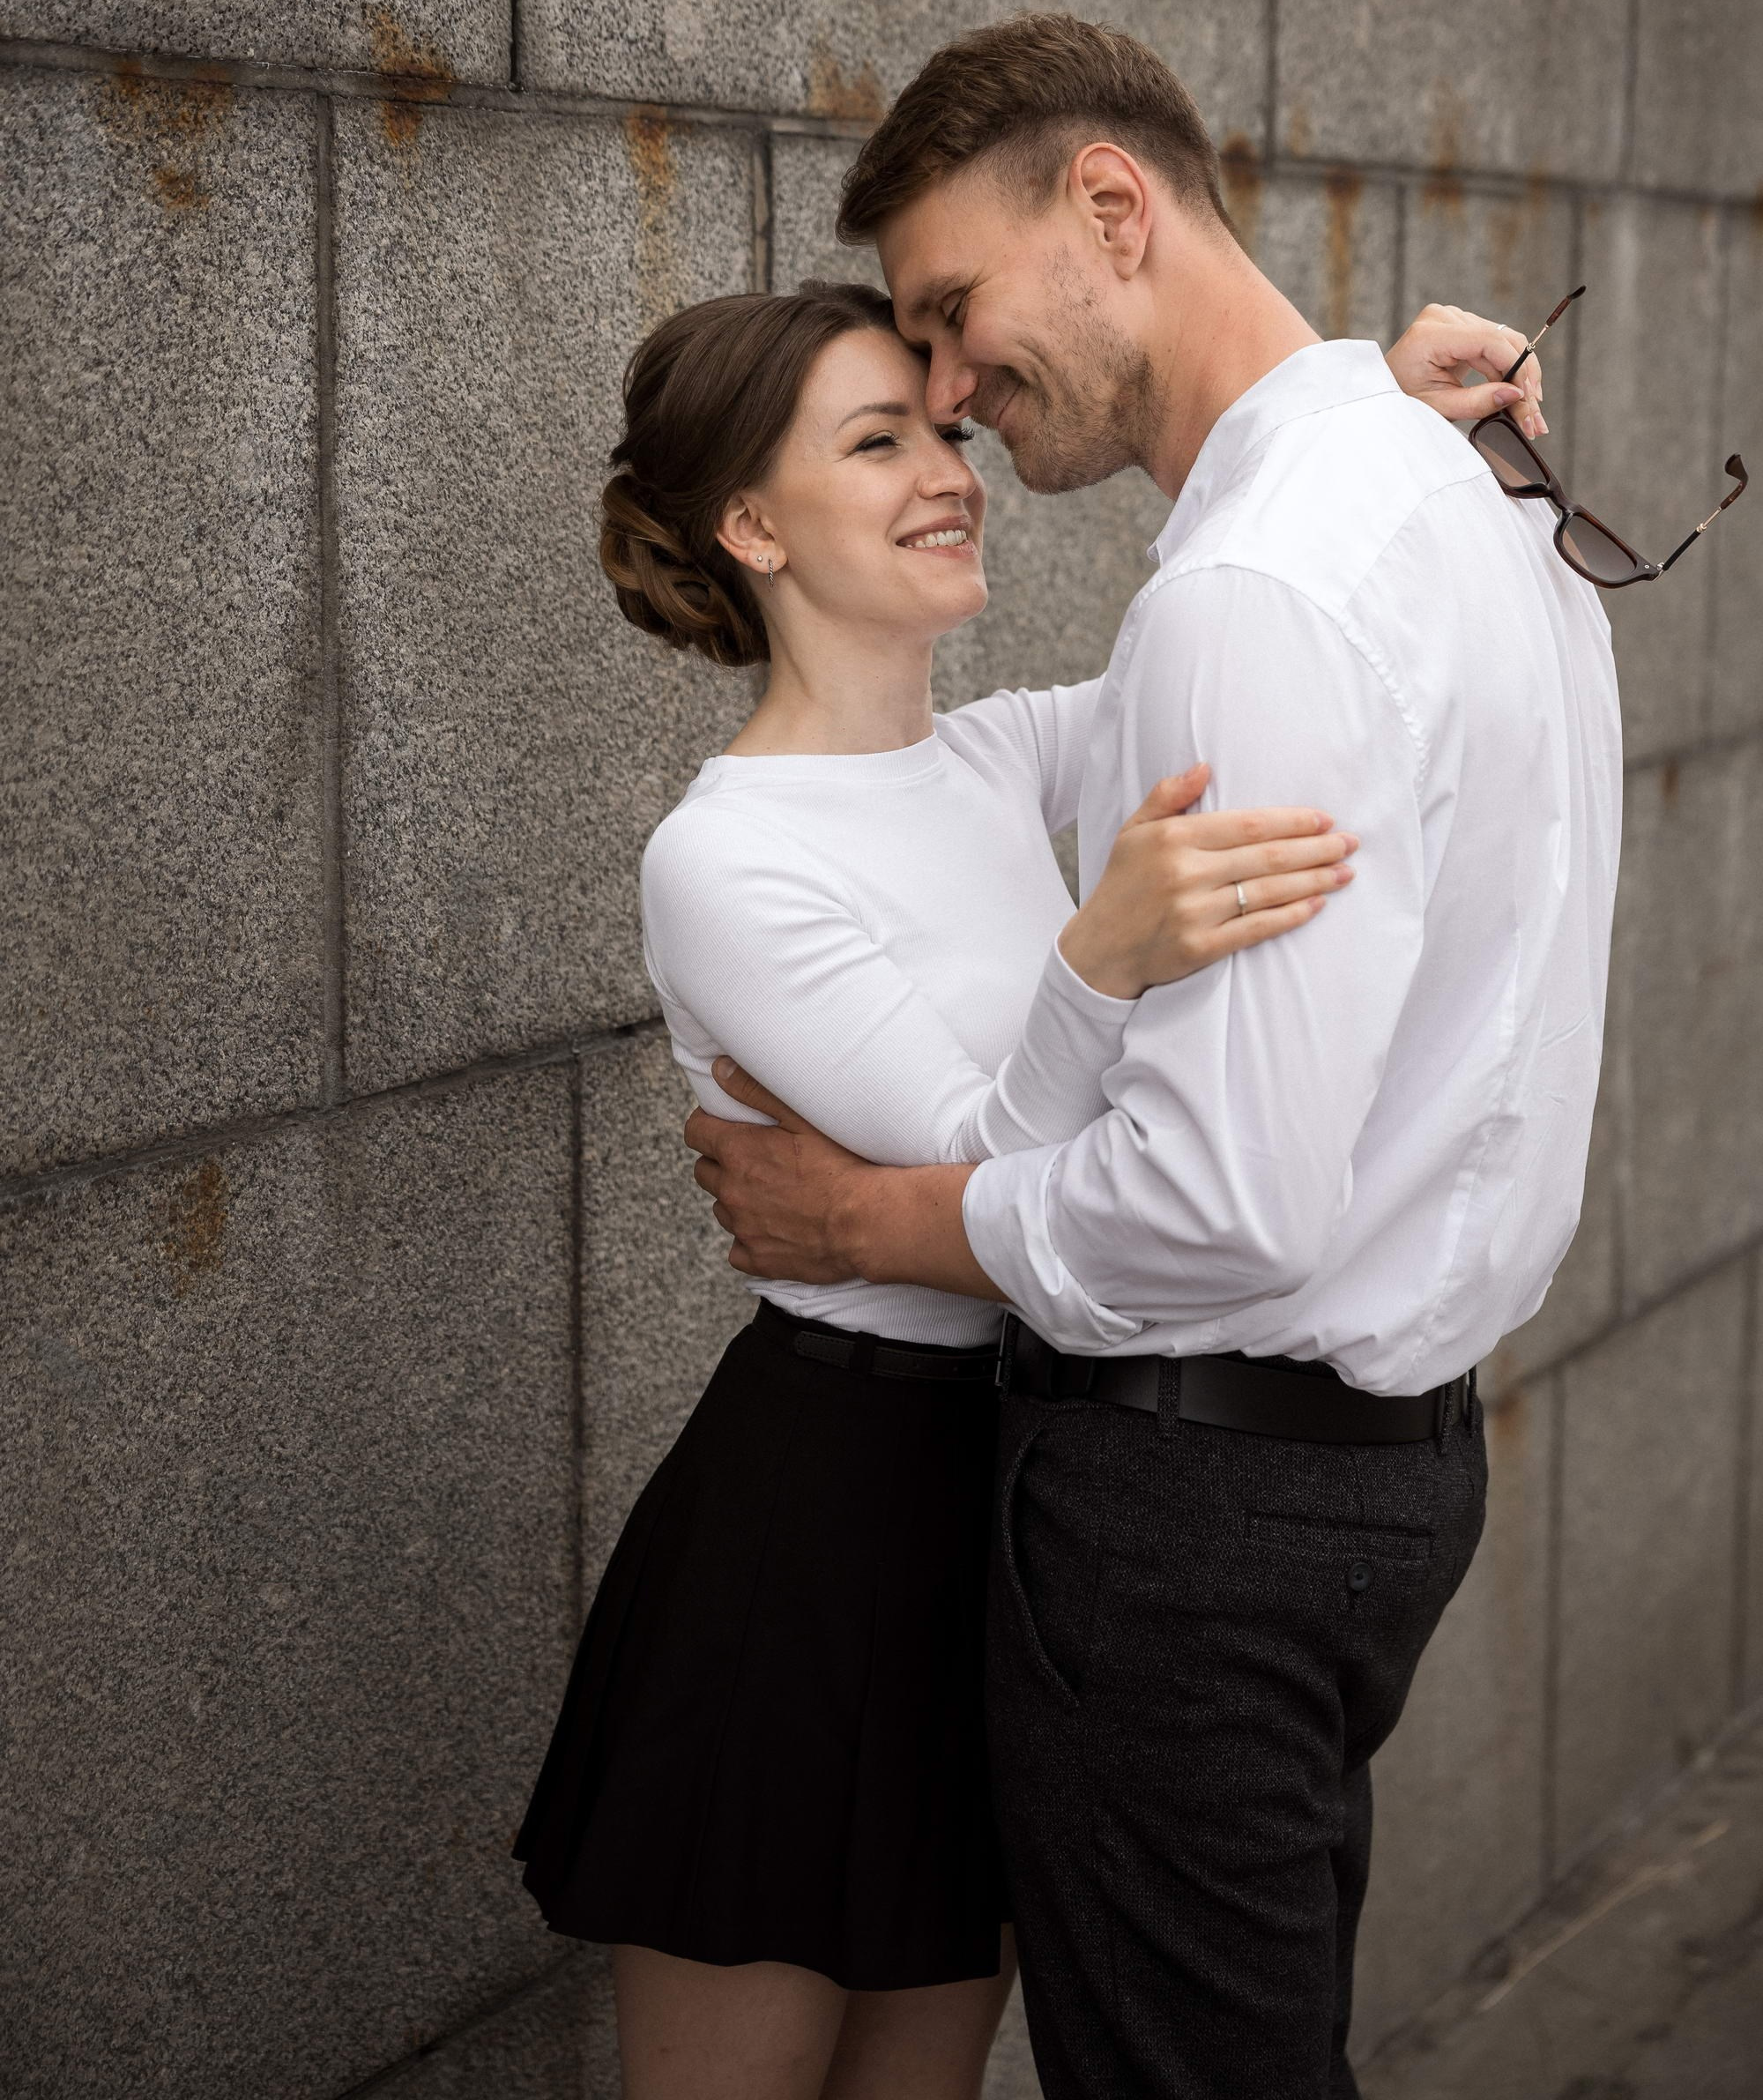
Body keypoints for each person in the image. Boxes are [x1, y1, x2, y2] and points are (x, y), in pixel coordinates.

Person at [683, 15, 1622, 2100]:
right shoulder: (1475, 503)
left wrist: (874, 1216)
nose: (942, 395)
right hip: (1386, 1476)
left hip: (1201, 1508)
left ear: (1109, 208)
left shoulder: (1263, 591)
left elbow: (1212, 1208)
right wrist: (1363, 389)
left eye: (948, 316)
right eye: (898, 380)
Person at [514, 265, 1532, 2100]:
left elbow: (1239, 626)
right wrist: (1103, 961)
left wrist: (1373, 405)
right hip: (809, 1537)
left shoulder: (995, 758)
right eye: (877, 438)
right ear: (752, 524)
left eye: (946, 427)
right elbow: (999, 1158)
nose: (951, 467)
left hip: (1016, 1512)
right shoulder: (723, 857)